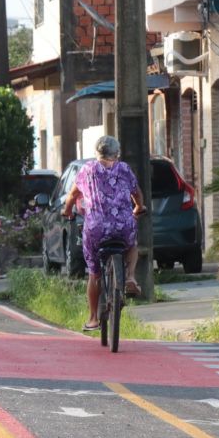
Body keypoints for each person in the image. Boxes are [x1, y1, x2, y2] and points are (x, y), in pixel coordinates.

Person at [61, 136, 147, 331]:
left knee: (94, 273)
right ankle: (131, 277)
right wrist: (138, 208)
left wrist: (66, 212)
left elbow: (72, 197)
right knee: (132, 244)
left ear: (97, 153)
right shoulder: (124, 169)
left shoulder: (86, 170)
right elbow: (137, 194)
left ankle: (92, 318)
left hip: (96, 229)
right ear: (116, 154)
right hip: (123, 226)